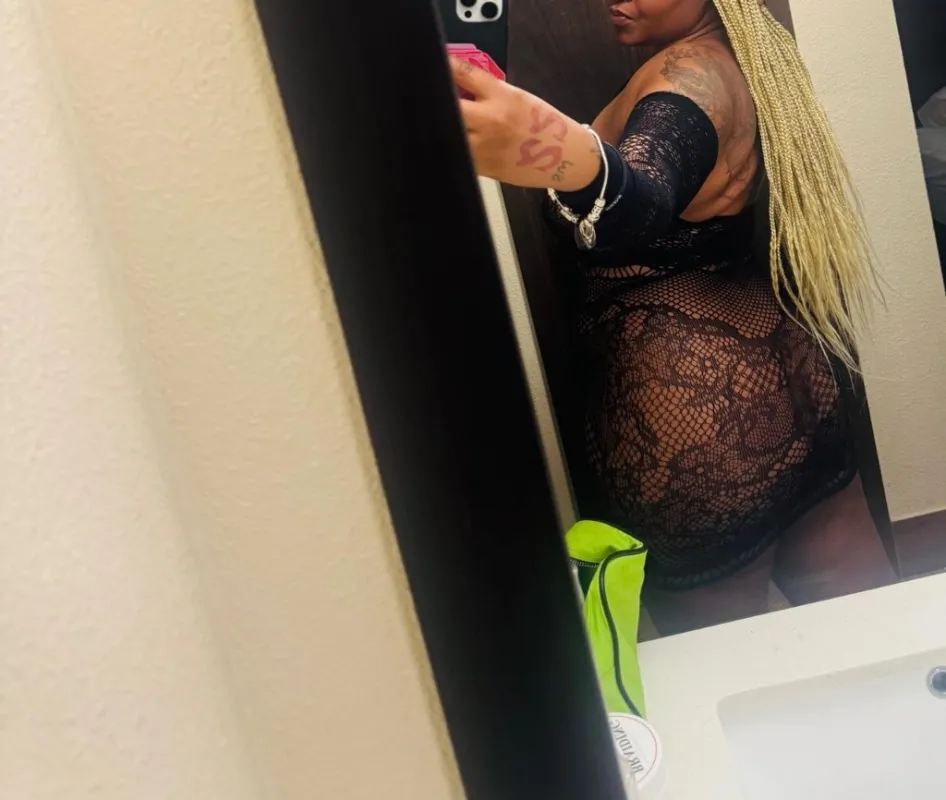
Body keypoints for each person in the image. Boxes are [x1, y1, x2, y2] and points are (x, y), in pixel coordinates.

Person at [451, 0, 898, 634]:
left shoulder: (690, 75)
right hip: (794, 378)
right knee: (876, 632)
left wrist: (559, 151)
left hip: (697, 414)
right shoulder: (746, 53)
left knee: (732, 667)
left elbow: (643, 198)